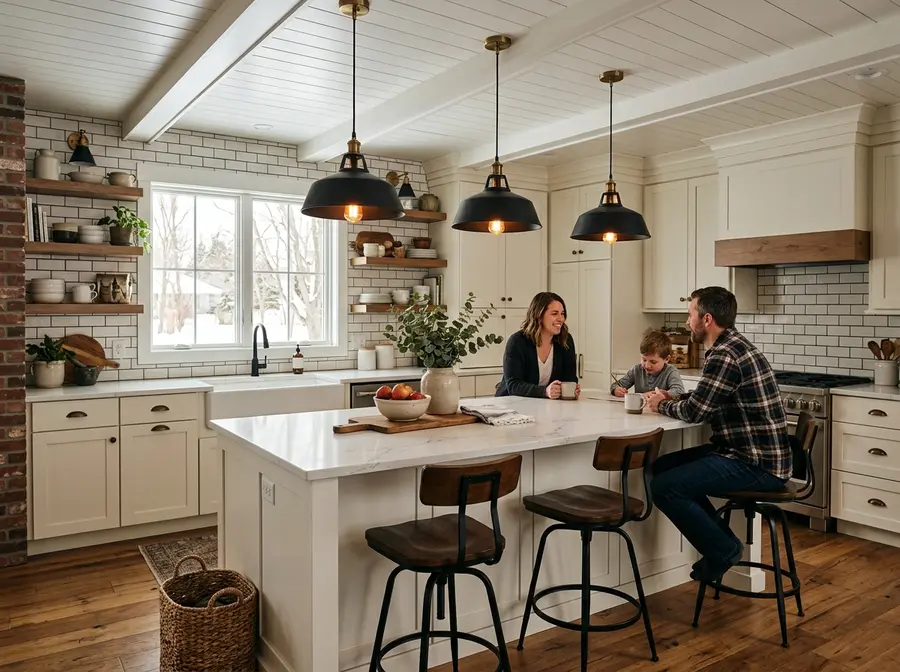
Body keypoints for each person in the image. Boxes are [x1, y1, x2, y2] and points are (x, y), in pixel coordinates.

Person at [645, 286, 791, 583]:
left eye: (690, 315)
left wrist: (661, 405)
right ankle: (722, 543)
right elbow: (706, 398)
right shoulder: (734, 346)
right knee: (661, 467)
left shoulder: (723, 355)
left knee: (665, 486)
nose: (688, 322)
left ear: (706, 319)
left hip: (756, 463)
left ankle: (723, 548)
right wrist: (671, 399)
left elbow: (696, 412)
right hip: (747, 453)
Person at [496, 292, 580, 399]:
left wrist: (572, 389)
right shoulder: (517, 342)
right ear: (539, 316)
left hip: (545, 405)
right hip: (512, 403)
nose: (561, 319)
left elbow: (569, 378)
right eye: (554, 314)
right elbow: (514, 385)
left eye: (562, 313)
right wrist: (544, 391)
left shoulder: (566, 341)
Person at [610, 330, 686, 398]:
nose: (647, 365)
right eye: (644, 359)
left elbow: (679, 391)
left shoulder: (671, 371)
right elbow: (615, 385)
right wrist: (616, 390)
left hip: (660, 412)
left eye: (653, 362)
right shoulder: (636, 370)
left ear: (667, 359)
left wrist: (656, 395)